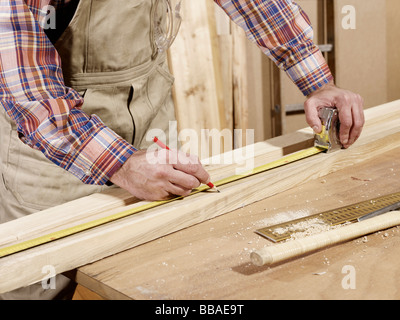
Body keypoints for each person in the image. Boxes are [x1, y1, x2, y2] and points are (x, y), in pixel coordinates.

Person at [0, 0, 364, 299]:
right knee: (41, 281)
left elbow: (257, 3)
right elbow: (31, 96)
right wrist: (122, 163)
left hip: (150, 113)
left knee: (160, 271)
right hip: (57, 146)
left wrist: (316, 81)